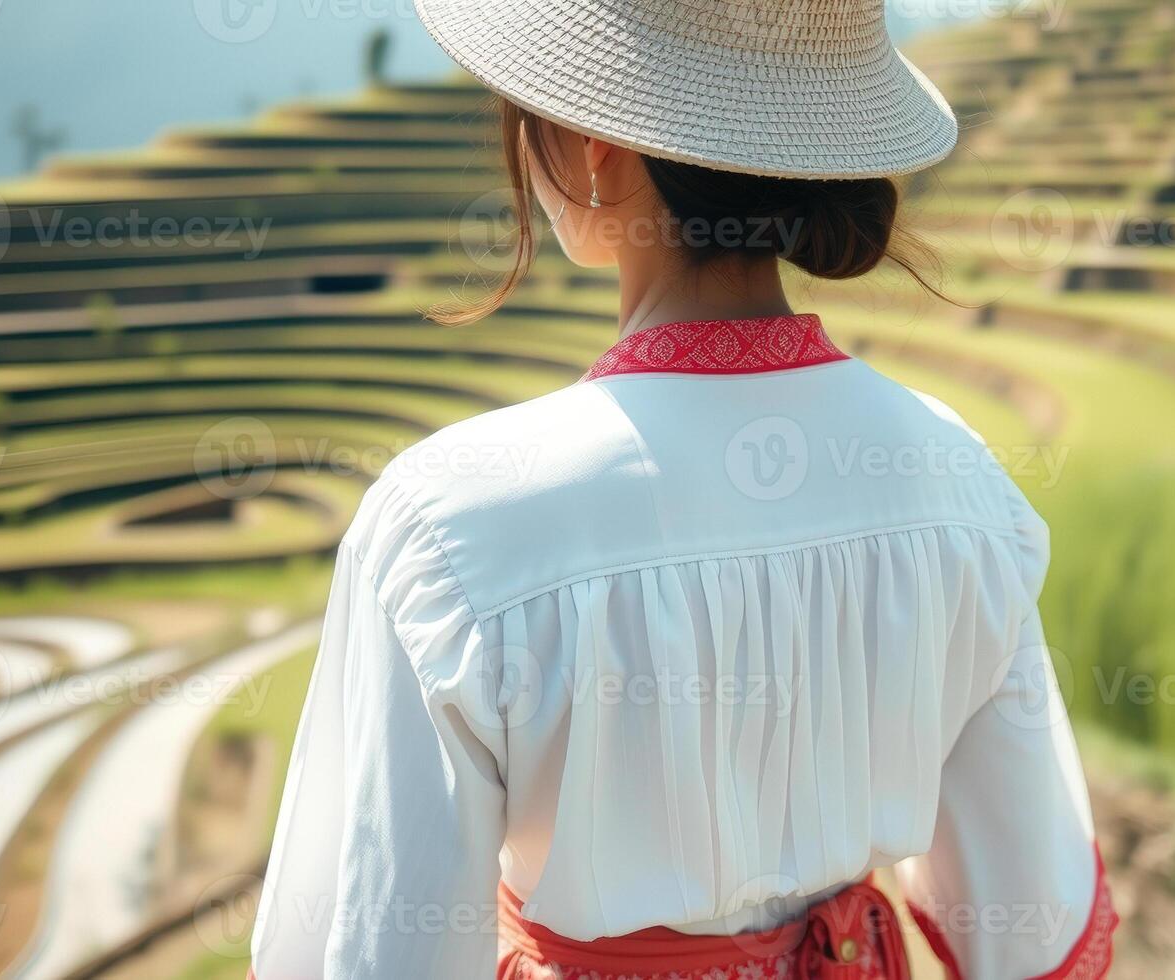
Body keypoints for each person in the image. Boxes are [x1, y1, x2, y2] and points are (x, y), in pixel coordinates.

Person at [250, 2, 1115, 977]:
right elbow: (1032, 923)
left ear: (590, 144)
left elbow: (363, 949)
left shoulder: (449, 526)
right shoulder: (958, 483)